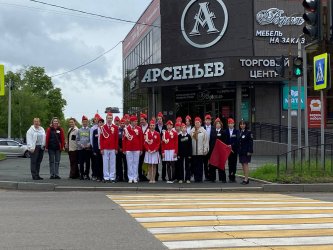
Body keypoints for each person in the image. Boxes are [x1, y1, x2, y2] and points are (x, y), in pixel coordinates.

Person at [123, 115, 143, 183]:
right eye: (135, 121)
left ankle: (135, 177)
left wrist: (141, 149)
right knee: (129, 163)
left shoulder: (139, 129)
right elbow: (124, 140)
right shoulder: (126, 129)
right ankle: (130, 177)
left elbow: (141, 140)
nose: (136, 122)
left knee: (136, 163)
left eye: (136, 121)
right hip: (128, 149)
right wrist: (124, 149)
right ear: (131, 122)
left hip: (137, 148)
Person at [99, 113, 118, 183]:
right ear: (106, 119)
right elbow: (101, 139)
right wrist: (101, 148)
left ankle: (112, 177)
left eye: (110, 118)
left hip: (113, 148)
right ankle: (106, 177)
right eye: (108, 118)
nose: (109, 119)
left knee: (112, 163)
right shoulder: (102, 127)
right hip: (105, 148)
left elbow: (116, 139)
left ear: (112, 119)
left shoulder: (115, 127)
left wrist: (116, 148)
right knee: (105, 163)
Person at [190, 117, 209, 182]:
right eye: (196, 123)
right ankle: (195, 177)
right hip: (194, 152)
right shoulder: (192, 131)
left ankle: (200, 178)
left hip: (200, 151)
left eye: (198, 122)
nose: (197, 124)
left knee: (200, 165)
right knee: (194, 165)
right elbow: (190, 142)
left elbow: (206, 141)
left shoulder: (203, 131)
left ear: (200, 123)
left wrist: (205, 149)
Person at [210, 118, 228, 183]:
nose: (217, 125)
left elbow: (225, 142)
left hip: (220, 151)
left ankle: (223, 178)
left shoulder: (223, 132)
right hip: (214, 151)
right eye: (216, 124)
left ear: (221, 124)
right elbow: (211, 141)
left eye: (219, 123)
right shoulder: (213, 132)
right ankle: (212, 178)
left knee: (221, 164)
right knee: (213, 164)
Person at [144, 119, 161, 183]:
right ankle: (150, 178)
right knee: (149, 165)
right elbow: (145, 142)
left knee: (154, 165)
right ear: (149, 126)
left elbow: (158, 143)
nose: (152, 126)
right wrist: (148, 149)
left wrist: (155, 149)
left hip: (155, 152)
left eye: (153, 125)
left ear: (155, 126)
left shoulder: (157, 133)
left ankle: (153, 178)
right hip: (148, 152)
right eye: (151, 125)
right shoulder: (147, 133)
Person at [225, 118, 240, 183]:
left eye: (232, 123)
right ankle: (230, 176)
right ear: (228, 124)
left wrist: (232, 145)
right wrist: (227, 145)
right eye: (229, 123)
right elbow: (225, 140)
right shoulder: (225, 131)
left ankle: (233, 176)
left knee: (234, 163)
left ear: (234, 124)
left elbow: (237, 140)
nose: (231, 124)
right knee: (229, 163)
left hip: (234, 150)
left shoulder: (236, 131)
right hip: (228, 150)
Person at [76, 115, 91, 180]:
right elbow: (77, 139)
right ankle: (81, 174)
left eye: (86, 122)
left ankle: (87, 174)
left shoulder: (90, 130)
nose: (85, 123)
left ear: (87, 122)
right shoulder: (79, 130)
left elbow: (91, 139)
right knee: (81, 163)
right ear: (82, 122)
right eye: (83, 122)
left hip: (87, 149)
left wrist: (88, 144)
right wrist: (81, 145)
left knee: (87, 163)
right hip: (81, 149)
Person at [238, 120, 253, 185]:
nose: (242, 125)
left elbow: (251, 142)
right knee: (242, 164)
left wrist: (250, 151)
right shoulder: (240, 132)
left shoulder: (248, 132)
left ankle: (246, 179)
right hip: (241, 151)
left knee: (245, 164)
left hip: (246, 151)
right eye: (241, 124)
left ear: (246, 125)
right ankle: (245, 178)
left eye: (243, 124)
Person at [203, 114, 216, 181]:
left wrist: (212, 148)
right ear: (205, 121)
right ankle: (206, 176)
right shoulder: (202, 128)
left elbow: (215, 139)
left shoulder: (214, 128)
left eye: (209, 120)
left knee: (212, 163)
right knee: (205, 163)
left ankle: (212, 176)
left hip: (212, 148)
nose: (207, 121)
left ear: (211, 121)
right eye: (206, 120)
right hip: (205, 149)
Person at [155, 112, 167, 181]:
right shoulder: (155, 127)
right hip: (157, 147)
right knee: (156, 162)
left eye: (160, 119)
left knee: (164, 162)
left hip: (163, 147)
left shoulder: (165, 127)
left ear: (162, 119)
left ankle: (163, 176)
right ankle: (156, 176)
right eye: (158, 119)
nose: (159, 120)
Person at [92, 116, 104, 181]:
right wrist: (94, 150)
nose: (100, 123)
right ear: (98, 123)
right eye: (99, 122)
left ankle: (102, 176)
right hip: (97, 149)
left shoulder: (104, 130)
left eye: (101, 122)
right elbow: (94, 141)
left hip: (103, 149)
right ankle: (98, 176)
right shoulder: (95, 131)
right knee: (97, 163)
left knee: (103, 163)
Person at [139, 113, 149, 181]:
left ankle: (145, 175)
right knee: (140, 162)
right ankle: (140, 175)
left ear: (146, 120)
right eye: (141, 120)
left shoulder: (149, 127)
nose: (141, 121)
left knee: (146, 162)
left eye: (143, 120)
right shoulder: (139, 127)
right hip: (140, 148)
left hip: (147, 148)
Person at [90, 113, 100, 181]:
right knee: (93, 162)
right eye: (95, 119)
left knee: (99, 162)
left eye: (98, 119)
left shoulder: (101, 127)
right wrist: (93, 147)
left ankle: (99, 174)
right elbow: (91, 138)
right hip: (94, 147)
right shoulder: (92, 128)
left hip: (100, 147)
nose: (96, 120)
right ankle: (94, 174)